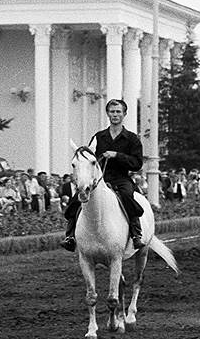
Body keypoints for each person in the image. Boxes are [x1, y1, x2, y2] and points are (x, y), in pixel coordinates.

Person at [61, 99, 145, 252]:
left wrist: (117, 155)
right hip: (99, 180)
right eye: (112, 111)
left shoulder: (132, 138)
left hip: (121, 178)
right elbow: (87, 159)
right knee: (76, 200)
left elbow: (137, 163)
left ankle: (136, 234)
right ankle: (70, 236)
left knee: (127, 195)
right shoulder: (98, 137)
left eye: (118, 111)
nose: (115, 114)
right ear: (108, 114)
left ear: (124, 114)